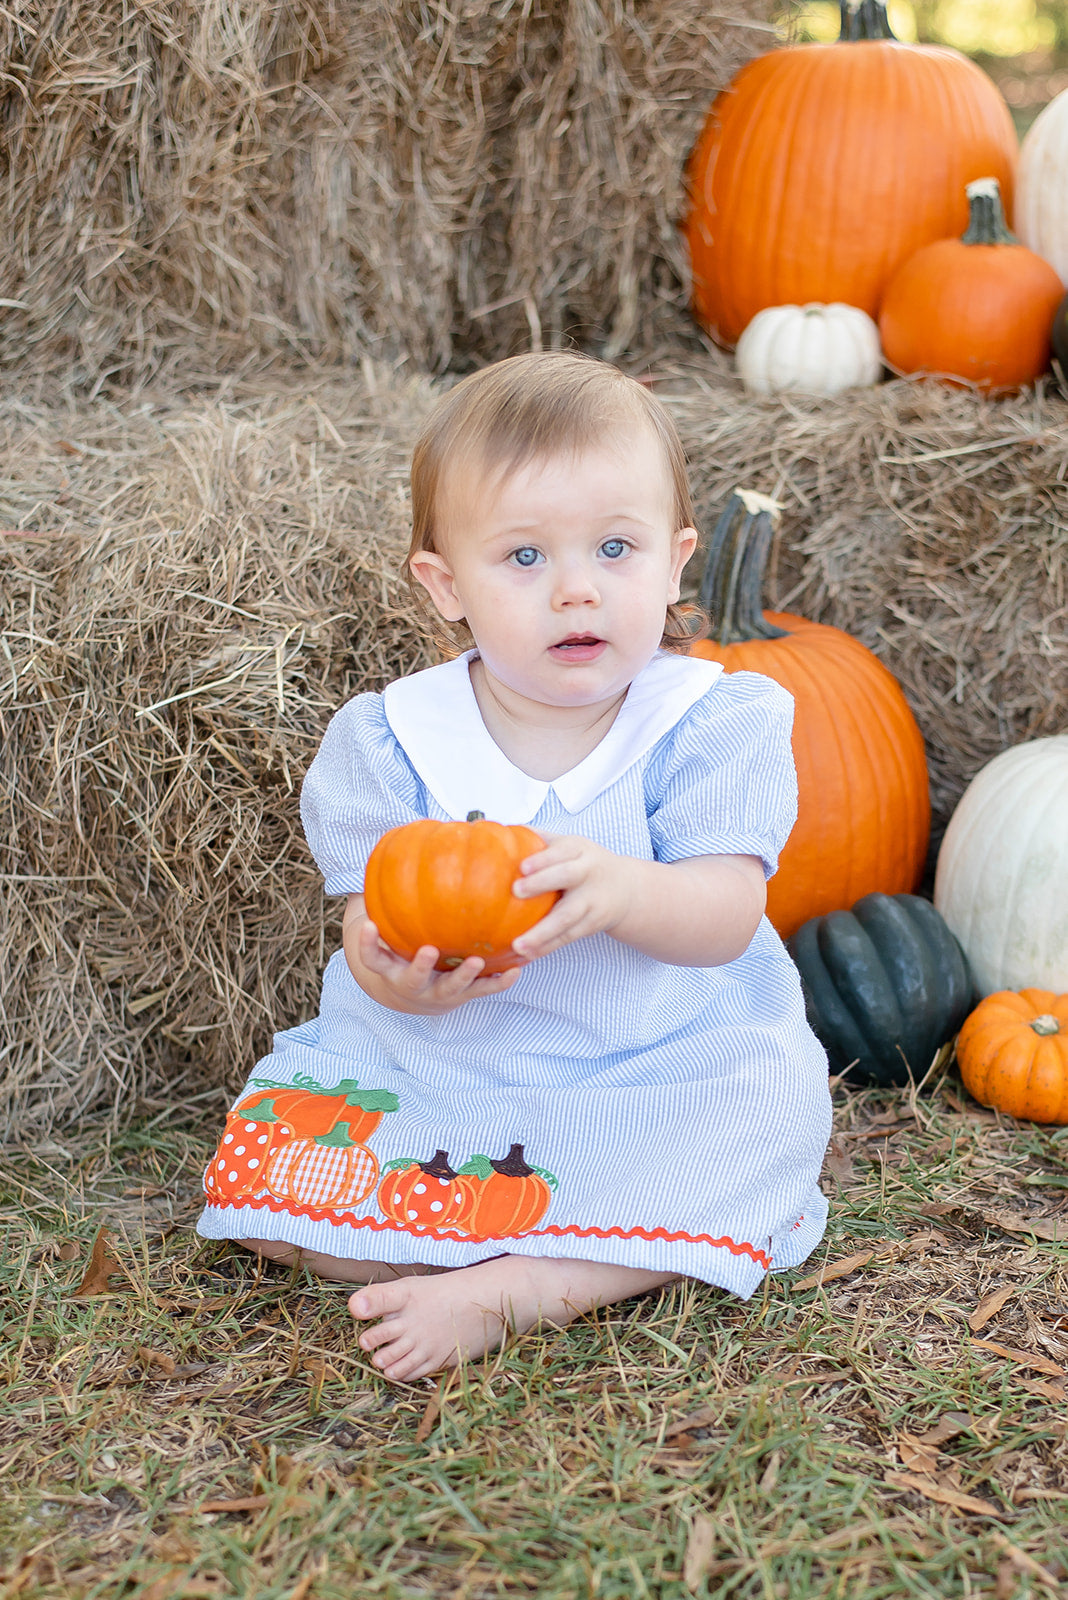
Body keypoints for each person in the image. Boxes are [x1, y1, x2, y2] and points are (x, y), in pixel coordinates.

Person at [197, 352, 832, 1383]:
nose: (578, 587)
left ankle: (523, 1283)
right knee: (280, 1179)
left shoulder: (712, 720)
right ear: (446, 585)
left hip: (654, 1061)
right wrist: (395, 977)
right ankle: (553, 1229)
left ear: (675, 565)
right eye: (525, 558)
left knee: (770, 1105)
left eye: (615, 548)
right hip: (451, 1058)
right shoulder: (393, 738)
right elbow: (370, 925)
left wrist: (626, 889)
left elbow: (725, 914)